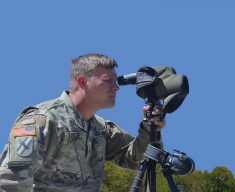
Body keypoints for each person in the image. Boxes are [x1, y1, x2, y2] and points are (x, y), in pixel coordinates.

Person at [0, 53, 165, 192]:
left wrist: (149, 128)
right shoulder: (41, 121)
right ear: (82, 81)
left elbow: (136, 159)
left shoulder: (100, 129)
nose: (116, 87)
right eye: (108, 80)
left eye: (116, 81)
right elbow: (10, 181)